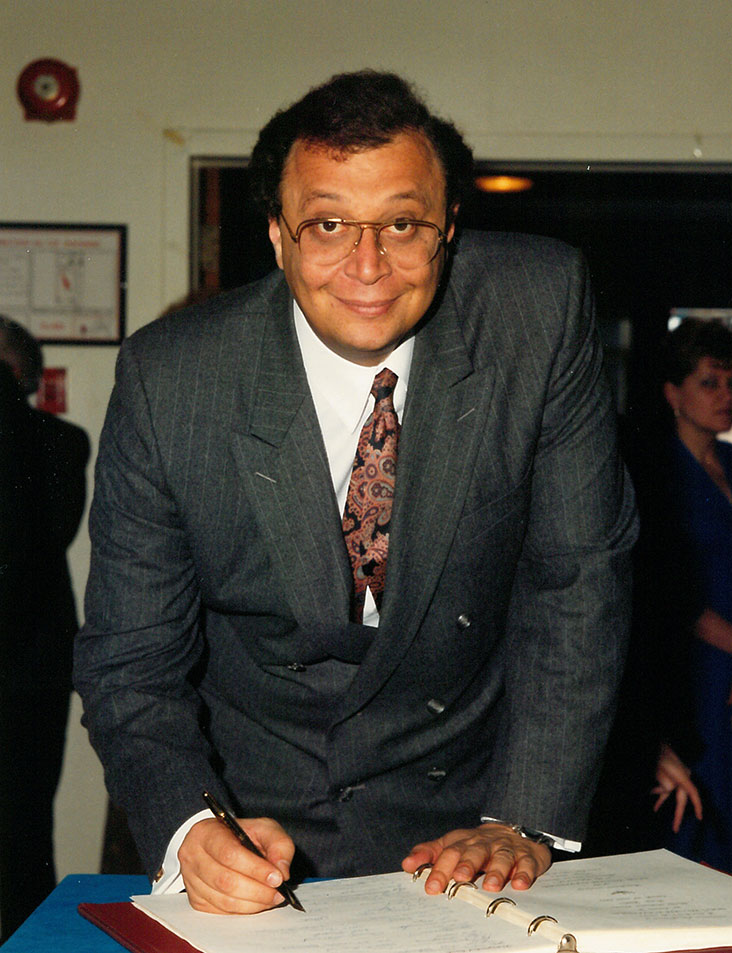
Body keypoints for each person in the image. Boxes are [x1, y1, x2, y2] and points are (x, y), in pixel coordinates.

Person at [74, 70, 637, 916]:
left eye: (403, 224)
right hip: (245, 805)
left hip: (468, 820)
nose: (368, 266)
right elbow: (130, 657)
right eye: (329, 224)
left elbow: (576, 582)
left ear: (449, 225)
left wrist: (525, 816)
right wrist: (191, 823)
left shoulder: (537, 310)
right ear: (277, 234)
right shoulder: (173, 378)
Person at [0, 317, 89, 940]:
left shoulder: (54, 442)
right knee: (28, 830)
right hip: (35, 663)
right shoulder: (61, 442)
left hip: (33, 663)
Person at [658, 317, 732, 878]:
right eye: (710, 383)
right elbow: (670, 594)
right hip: (698, 672)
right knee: (696, 826)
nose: (727, 396)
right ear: (673, 392)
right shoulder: (657, 471)